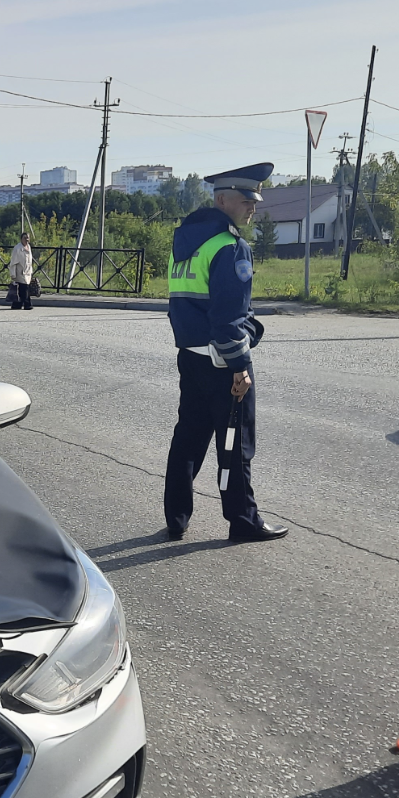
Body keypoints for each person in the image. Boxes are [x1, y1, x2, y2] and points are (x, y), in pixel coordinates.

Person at [163, 163, 288, 543]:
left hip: (191, 355)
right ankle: (242, 520)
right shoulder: (230, 246)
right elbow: (228, 318)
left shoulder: (185, 244)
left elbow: (182, 305)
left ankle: (176, 516)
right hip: (222, 363)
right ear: (222, 200)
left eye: (255, 199)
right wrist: (240, 366)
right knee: (235, 443)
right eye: (246, 199)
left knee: (188, 437)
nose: (253, 207)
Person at [8, 233, 33, 310]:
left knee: (22, 289)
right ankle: (27, 304)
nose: (27, 240)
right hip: (20, 271)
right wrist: (13, 274)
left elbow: (30, 261)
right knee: (24, 288)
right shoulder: (17, 248)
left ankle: (17, 304)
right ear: (21, 239)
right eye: (25, 238)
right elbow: (13, 262)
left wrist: (31, 271)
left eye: (28, 238)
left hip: (27, 271)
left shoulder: (28, 247)